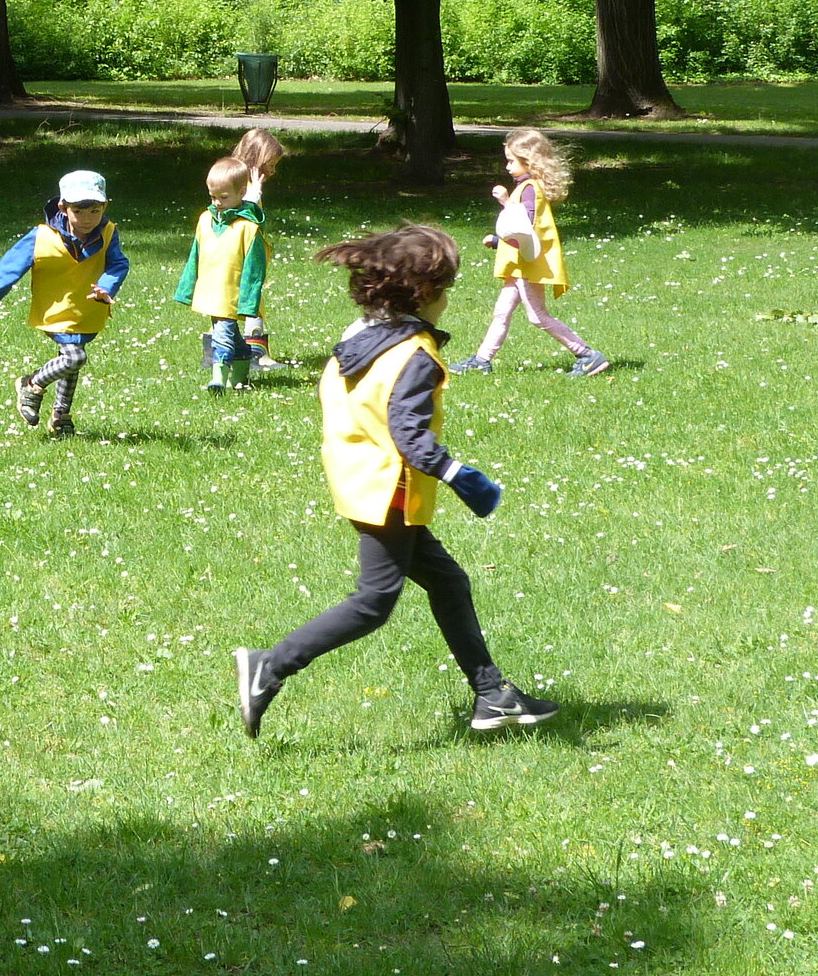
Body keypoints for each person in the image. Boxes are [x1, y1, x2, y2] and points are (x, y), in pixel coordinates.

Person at [232, 225, 558, 737]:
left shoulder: (362, 334)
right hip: (388, 489)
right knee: (373, 602)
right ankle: (269, 668)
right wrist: (461, 477)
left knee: (448, 582)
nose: (449, 300)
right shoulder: (415, 354)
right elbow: (410, 435)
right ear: (425, 294)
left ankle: (493, 694)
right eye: (447, 289)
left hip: (359, 476)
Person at [0, 170, 130, 437]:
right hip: (56, 310)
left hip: (87, 310)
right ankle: (31, 383)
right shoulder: (42, 236)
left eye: (95, 211)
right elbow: (10, 266)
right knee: (75, 356)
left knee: (70, 359)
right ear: (63, 206)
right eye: (80, 212)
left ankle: (61, 416)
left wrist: (106, 287)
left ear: (105, 206)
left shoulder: (107, 232)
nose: (87, 219)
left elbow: (118, 263)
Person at [453, 127, 608, 378]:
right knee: (501, 312)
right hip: (520, 263)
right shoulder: (526, 187)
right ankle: (482, 359)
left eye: (512, 161)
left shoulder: (529, 189)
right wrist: (498, 241)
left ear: (530, 161)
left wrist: (504, 202)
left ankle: (587, 355)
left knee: (538, 316)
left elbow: (523, 226)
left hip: (527, 263)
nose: (507, 167)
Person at [173, 157, 267, 391]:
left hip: (230, 294)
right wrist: (186, 289)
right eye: (212, 197)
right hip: (210, 292)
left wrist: (248, 303)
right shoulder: (205, 220)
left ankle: (219, 378)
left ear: (242, 192)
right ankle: (242, 375)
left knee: (222, 335)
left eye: (223, 198)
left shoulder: (248, 227)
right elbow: (195, 254)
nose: (217, 203)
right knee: (232, 336)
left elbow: (254, 270)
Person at [233, 127, 291, 372]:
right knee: (251, 299)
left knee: (236, 300)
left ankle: (223, 349)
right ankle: (256, 354)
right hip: (243, 252)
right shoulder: (243, 186)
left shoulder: (235, 179)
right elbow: (241, 213)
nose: (273, 170)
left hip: (245, 251)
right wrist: (254, 195)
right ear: (256, 158)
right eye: (271, 163)